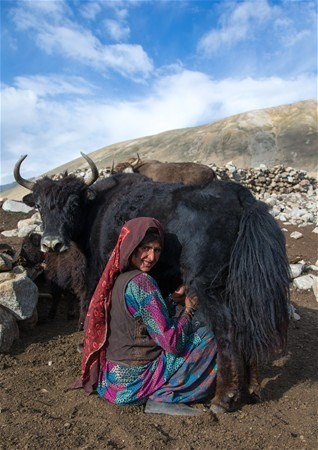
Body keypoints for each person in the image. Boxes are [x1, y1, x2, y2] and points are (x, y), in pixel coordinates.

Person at [78, 217, 217, 416]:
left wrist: (172, 299)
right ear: (131, 246)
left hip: (111, 383)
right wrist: (188, 310)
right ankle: (165, 396)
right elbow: (171, 343)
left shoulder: (118, 278)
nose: (151, 257)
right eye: (144, 248)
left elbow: (143, 318)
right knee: (207, 334)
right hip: (134, 384)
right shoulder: (143, 283)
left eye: (156, 250)